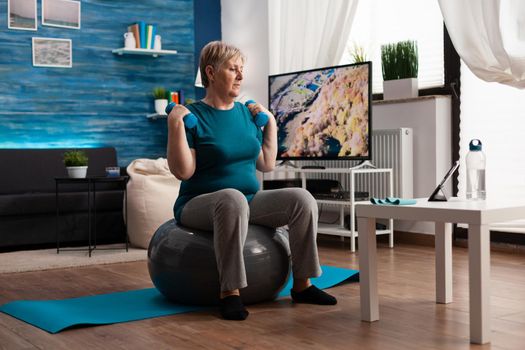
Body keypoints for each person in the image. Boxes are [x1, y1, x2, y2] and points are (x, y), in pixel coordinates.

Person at [167, 41, 336, 321]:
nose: (241, 76)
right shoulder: (194, 115)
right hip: (199, 204)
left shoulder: (246, 114)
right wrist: (175, 123)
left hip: (247, 201)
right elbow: (183, 172)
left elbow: (266, 164)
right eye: (233, 69)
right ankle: (230, 293)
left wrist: (270, 122)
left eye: (242, 69)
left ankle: (303, 285)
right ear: (211, 72)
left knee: (302, 199)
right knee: (231, 198)